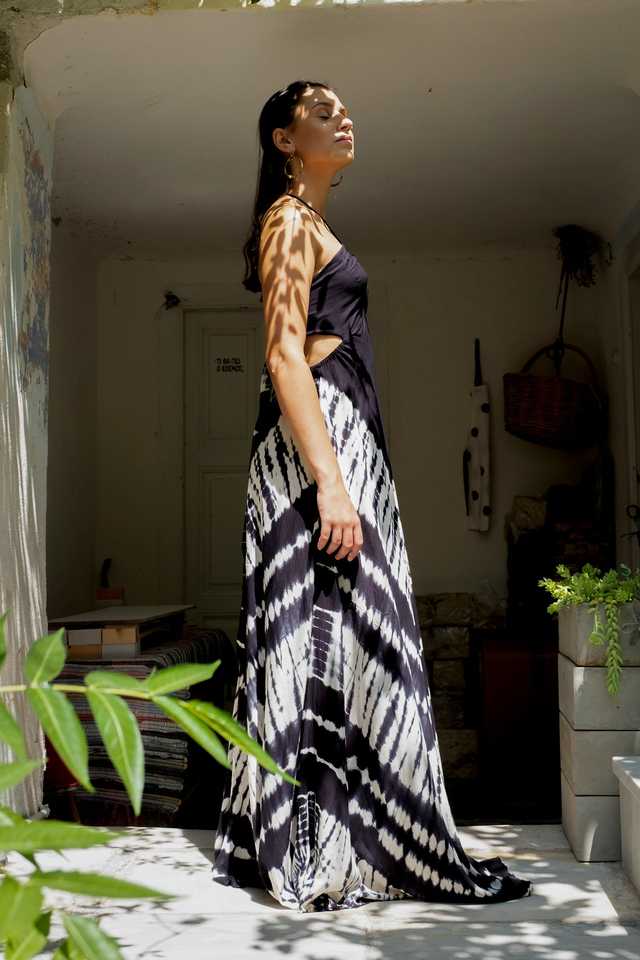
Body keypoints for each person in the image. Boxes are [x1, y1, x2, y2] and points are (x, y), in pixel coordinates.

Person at [210, 79, 534, 912]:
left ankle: (349, 838)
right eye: (323, 112)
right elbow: (284, 354)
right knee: (325, 635)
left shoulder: (312, 225)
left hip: (342, 443)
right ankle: (314, 844)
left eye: (345, 108)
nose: (343, 118)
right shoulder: (287, 222)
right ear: (285, 140)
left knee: (351, 636)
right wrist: (330, 482)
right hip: (314, 454)